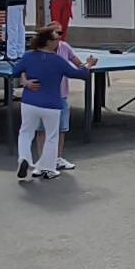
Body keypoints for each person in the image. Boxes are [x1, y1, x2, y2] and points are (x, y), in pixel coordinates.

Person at [11, 26, 94, 180]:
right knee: (52, 136)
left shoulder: (28, 56)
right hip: (51, 104)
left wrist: (25, 81)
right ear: (48, 42)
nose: (59, 41)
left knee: (25, 132)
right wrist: (88, 65)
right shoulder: (57, 61)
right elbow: (79, 74)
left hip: (29, 102)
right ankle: (48, 168)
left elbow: (15, 71)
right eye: (56, 38)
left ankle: (24, 159)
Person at [28, 21, 87, 172]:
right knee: (42, 131)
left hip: (61, 97)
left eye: (61, 32)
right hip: (43, 97)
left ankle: (57, 159)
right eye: (57, 33)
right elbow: (24, 69)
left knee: (61, 130)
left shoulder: (65, 48)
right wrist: (26, 82)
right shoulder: (40, 52)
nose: (60, 35)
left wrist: (87, 66)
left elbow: (77, 64)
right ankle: (41, 162)